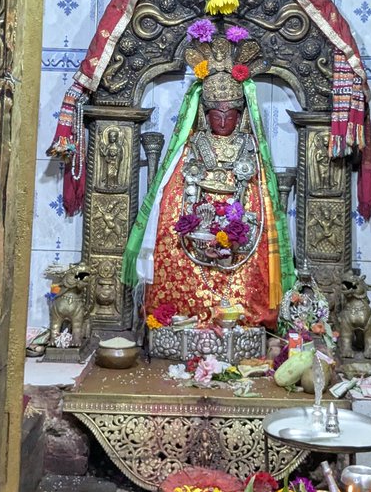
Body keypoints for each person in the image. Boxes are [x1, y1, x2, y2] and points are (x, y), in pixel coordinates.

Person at [121, 25, 294, 327]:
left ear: (241, 116)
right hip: (197, 213)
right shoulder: (194, 144)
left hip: (239, 220)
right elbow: (177, 189)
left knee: (254, 252)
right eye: (217, 115)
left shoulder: (248, 145)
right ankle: (176, 316)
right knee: (170, 242)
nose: (224, 121)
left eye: (230, 115)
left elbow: (256, 195)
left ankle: (245, 319)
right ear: (205, 114)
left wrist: (239, 216)